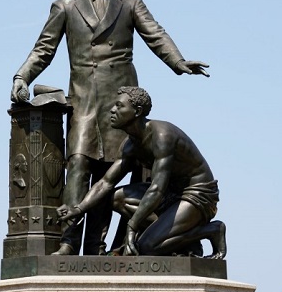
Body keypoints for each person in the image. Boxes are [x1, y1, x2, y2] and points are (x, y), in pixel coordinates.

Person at [11, 0, 210, 256]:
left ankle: (96, 248)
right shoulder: (65, 6)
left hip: (121, 104)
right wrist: (22, 76)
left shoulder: (130, 4)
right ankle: (68, 241)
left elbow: (156, 34)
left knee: (109, 175)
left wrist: (178, 61)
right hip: (85, 103)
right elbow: (43, 49)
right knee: (77, 165)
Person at [57, 87, 226, 258]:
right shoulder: (130, 144)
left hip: (197, 196)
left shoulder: (162, 135)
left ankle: (210, 230)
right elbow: (105, 183)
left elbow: (157, 189)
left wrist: (132, 226)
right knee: (117, 198)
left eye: (119, 106)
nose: (112, 110)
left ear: (137, 111)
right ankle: (171, 234)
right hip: (170, 195)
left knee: (147, 247)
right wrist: (78, 208)